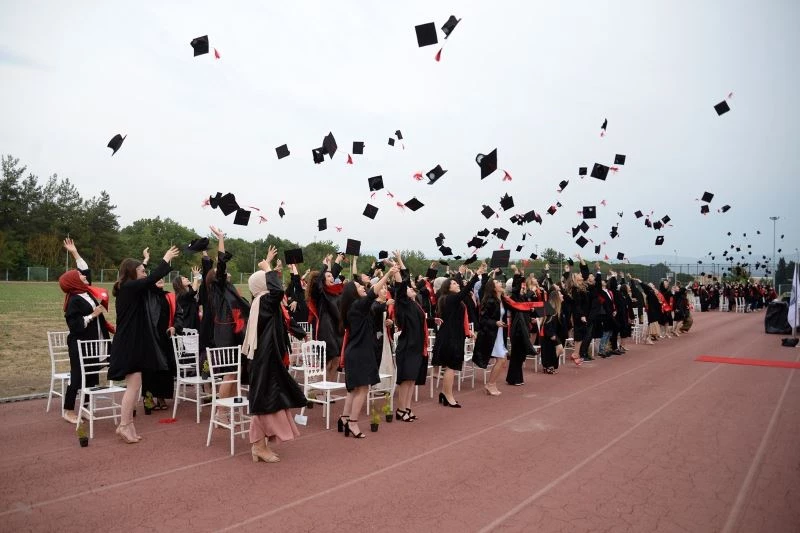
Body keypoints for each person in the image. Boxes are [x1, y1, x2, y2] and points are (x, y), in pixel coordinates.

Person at [242, 246, 307, 463]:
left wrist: (270, 265)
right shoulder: (264, 302)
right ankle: (259, 447)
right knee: (266, 403)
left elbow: (278, 290)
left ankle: (259, 446)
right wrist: (268, 267)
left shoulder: (261, 302)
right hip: (266, 360)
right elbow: (278, 291)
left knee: (267, 402)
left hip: (266, 359)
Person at [108, 245, 180, 443]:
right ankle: (124, 425)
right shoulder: (130, 288)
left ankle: (127, 425)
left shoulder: (131, 287)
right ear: (133, 273)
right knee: (133, 386)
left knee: (135, 384)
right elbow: (149, 279)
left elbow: (146, 279)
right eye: (141, 270)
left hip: (133, 342)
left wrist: (145, 260)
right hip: (128, 343)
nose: (145, 273)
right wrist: (165, 258)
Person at [338, 265, 399, 438]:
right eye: (359, 287)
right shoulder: (358, 306)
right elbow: (373, 291)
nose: (363, 289)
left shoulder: (354, 308)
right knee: (362, 389)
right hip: (360, 354)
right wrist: (388, 273)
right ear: (353, 293)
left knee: (354, 390)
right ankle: (353, 422)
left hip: (356, 352)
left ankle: (344, 418)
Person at [58, 238, 113, 424]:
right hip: (80, 345)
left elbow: (85, 269)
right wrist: (93, 314)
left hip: (93, 342)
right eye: (79, 276)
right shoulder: (73, 300)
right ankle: (67, 410)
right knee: (78, 377)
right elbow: (74, 325)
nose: (83, 276)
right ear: (74, 281)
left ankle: (85, 408)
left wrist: (74, 252)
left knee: (92, 376)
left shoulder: (86, 291)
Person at [431, 263, 486, 408]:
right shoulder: (450, 299)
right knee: (450, 367)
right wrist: (476, 275)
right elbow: (465, 290)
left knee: (451, 367)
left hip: (453, 335)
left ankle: (444, 393)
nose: (457, 284)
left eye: (456, 282)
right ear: (448, 287)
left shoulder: (451, 299)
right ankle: (448, 396)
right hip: (450, 337)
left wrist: (467, 333)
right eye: (454, 283)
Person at [389, 252, 427, 421]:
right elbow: (401, 285)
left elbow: (406, 279)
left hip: (417, 345)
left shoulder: (415, 303)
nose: (412, 288)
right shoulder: (403, 303)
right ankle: (400, 409)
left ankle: (408, 408)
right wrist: (395, 269)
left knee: (412, 380)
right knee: (405, 380)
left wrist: (400, 260)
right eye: (410, 288)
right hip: (407, 346)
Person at [307, 253, 345, 381]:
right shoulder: (321, 294)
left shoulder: (336, 291)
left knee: (336, 361)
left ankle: (328, 390)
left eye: (332, 276)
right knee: (327, 362)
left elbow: (331, 276)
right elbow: (318, 281)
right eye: (328, 276)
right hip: (326, 330)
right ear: (323, 280)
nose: (332, 277)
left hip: (337, 330)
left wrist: (338, 261)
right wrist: (324, 265)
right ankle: (317, 390)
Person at [473, 270, 508, 396]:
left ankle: (491, 383)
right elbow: (483, 319)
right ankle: (490, 384)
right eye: (497, 282)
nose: (500, 283)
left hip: (498, 334)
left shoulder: (502, 299)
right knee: (502, 359)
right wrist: (495, 323)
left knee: (502, 360)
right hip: (490, 334)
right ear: (493, 287)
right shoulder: (490, 301)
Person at [541, 287, 567, 374]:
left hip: (556, 334)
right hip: (549, 334)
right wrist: (551, 335)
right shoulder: (549, 307)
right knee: (560, 349)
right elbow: (546, 323)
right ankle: (549, 365)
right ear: (556, 298)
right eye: (560, 294)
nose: (563, 295)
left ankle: (549, 366)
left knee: (559, 349)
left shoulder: (559, 308)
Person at [173, 266, 202, 334]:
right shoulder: (181, 296)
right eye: (183, 278)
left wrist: (197, 276)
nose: (186, 278)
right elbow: (193, 291)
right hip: (187, 325)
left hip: (194, 322)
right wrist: (195, 276)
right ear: (179, 284)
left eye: (185, 277)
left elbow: (194, 288)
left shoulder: (187, 293)